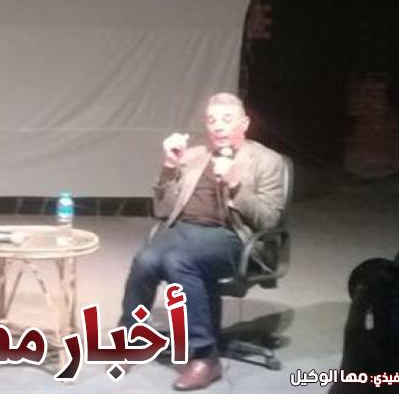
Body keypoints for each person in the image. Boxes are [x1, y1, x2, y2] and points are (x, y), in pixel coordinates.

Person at [119, 92, 287, 390]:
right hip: (182, 230)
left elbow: (268, 220)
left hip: (231, 236)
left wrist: (235, 184)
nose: (218, 126)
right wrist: (169, 165)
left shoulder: (267, 160)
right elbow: (162, 210)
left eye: (227, 119)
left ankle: (205, 357)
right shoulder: (194, 155)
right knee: (145, 260)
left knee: (178, 261)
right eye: (212, 120)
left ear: (244, 123)